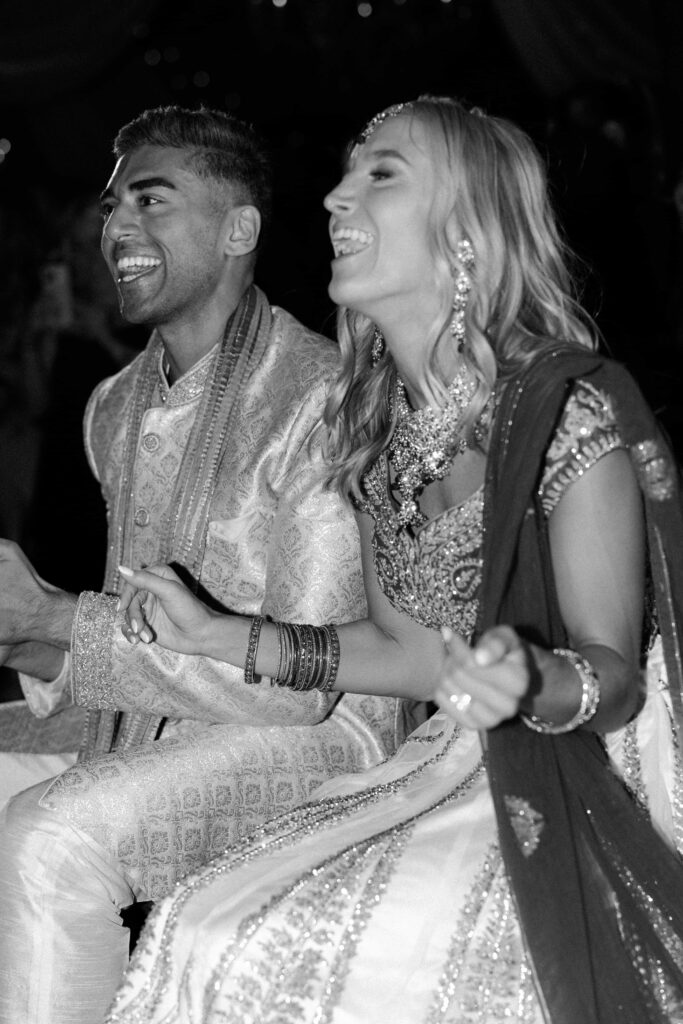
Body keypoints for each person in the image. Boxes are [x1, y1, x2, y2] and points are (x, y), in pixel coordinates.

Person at [103, 95, 683, 1024]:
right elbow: (407, 650)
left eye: (381, 175)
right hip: (447, 757)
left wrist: (528, 676)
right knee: (197, 925)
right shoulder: (378, 432)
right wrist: (221, 634)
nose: (336, 197)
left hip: (584, 772)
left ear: (466, 232)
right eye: (344, 172)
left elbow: (612, 682)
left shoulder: (563, 410)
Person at [0, 105, 420, 1024]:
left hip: (319, 735)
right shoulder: (111, 405)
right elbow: (120, 638)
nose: (116, 228)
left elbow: (298, 689)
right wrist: (22, 640)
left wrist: (57, 620)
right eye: (111, 207)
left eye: (152, 200)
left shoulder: (322, 398)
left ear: (240, 230)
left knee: (49, 835)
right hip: (154, 720)